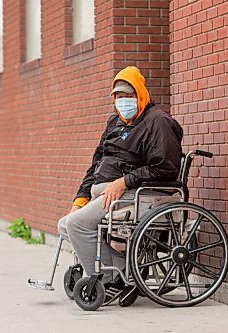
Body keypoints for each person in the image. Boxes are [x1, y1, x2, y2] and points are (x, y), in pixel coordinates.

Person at [58, 66, 183, 305]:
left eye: (129, 95)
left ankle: (111, 279)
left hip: (138, 193)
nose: (124, 101)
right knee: (65, 224)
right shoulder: (115, 121)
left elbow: (165, 168)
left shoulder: (157, 122)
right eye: (119, 97)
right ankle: (126, 272)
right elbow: (96, 164)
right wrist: (80, 199)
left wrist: (123, 182)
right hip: (105, 192)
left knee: (76, 225)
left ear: (141, 94)